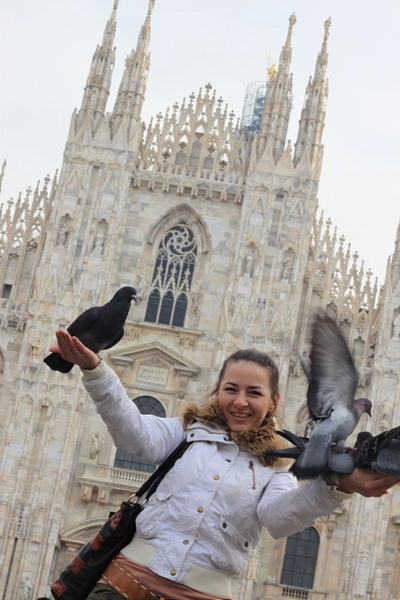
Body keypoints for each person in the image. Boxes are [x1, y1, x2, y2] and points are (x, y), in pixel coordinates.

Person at [50, 330, 400, 600]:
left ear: (274, 400)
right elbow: (132, 431)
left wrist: (336, 487)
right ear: (218, 390)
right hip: (125, 585)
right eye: (231, 389)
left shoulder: (276, 464)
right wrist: (96, 371)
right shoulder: (187, 433)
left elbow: (279, 518)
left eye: (254, 393)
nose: (240, 402)